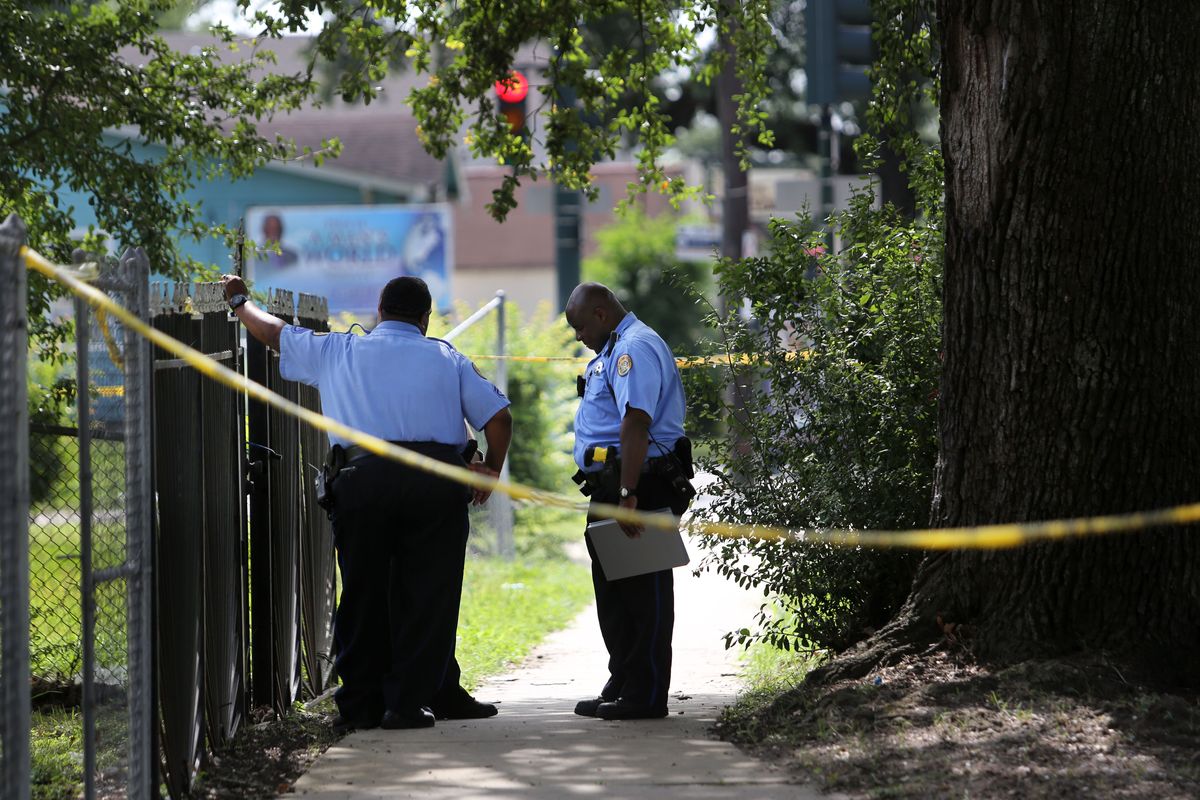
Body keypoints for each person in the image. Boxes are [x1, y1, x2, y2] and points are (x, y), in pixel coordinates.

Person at [221, 274, 512, 731]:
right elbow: (498, 417)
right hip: (436, 485)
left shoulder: (338, 349)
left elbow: (272, 333)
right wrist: (490, 472)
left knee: (362, 593)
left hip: (362, 482)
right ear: (425, 317)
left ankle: (359, 706)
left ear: (379, 310)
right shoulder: (447, 356)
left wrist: (239, 301)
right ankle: (408, 703)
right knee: (427, 597)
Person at [564, 282, 694, 721]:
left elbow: (636, 422)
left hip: (640, 485)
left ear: (601, 314)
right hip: (615, 484)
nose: (579, 337)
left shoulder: (633, 349)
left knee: (644, 596)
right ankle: (623, 680)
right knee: (615, 596)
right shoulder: (614, 348)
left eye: (580, 327)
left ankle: (646, 692)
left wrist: (627, 493)